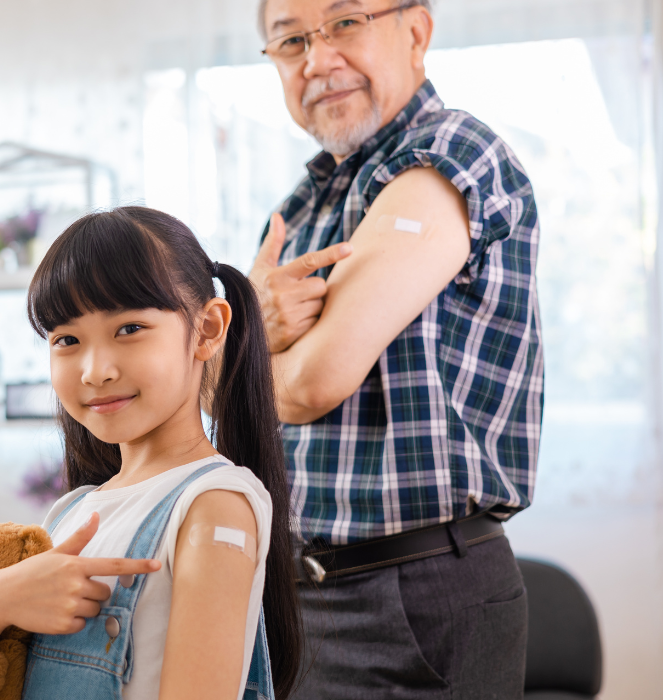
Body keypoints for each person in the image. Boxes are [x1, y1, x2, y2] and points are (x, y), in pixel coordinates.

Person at [249, 0, 542, 697]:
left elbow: (313, 382)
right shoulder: (302, 203)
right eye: (290, 42)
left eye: (344, 23)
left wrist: (241, 345)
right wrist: (245, 349)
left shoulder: (451, 153)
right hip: (297, 596)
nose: (317, 60)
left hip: (411, 597)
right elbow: (232, 387)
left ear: (416, 32)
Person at [0, 207, 302, 700]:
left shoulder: (214, 503)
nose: (95, 370)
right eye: (67, 340)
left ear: (207, 329)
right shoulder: (71, 511)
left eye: (129, 328)